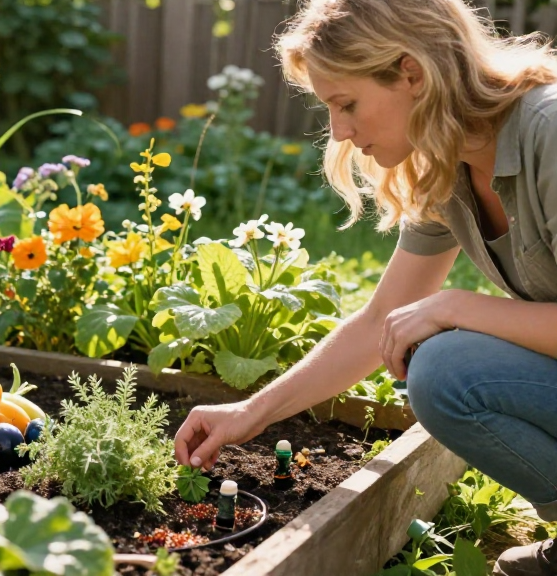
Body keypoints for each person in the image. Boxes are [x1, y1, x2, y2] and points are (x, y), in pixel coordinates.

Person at [173, 1, 557, 574]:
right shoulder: (448, 164)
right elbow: (383, 317)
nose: (340, 132)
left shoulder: (547, 132)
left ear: (412, 73)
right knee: (445, 368)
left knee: (448, 366)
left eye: (346, 104)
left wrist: (455, 306)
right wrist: (250, 413)